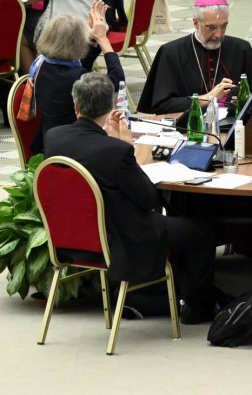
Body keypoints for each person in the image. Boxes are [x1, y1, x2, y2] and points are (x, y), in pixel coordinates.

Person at [43, 72, 220, 324]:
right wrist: (127, 147)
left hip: (74, 234)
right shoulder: (116, 151)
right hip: (122, 236)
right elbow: (149, 199)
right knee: (203, 231)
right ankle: (196, 306)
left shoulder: (54, 138)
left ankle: (175, 290)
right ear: (112, 106)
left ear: (75, 105)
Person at [137, 0, 252, 114]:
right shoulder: (171, 53)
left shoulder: (241, 49)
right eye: (211, 27)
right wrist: (208, 98)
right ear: (195, 22)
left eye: (224, 26)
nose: (219, 34)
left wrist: (246, 100)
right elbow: (161, 106)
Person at [27, 2, 124, 153]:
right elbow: (117, 80)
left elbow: (80, 65)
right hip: (74, 147)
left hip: (50, 140)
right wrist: (103, 39)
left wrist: (94, 40)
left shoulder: (42, 65)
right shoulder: (75, 77)